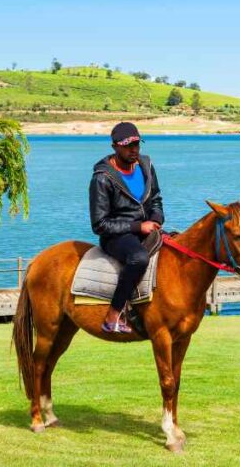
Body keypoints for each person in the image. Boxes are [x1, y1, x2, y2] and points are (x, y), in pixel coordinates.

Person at [88, 122, 164, 333]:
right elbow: (99, 224)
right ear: (115, 147)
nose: (134, 150)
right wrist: (139, 226)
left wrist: (157, 217)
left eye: (137, 144)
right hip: (116, 236)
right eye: (128, 145)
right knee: (139, 258)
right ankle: (112, 315)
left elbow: (156, 198)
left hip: (148, 228)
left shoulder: (146, 166)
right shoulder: (102, 178)